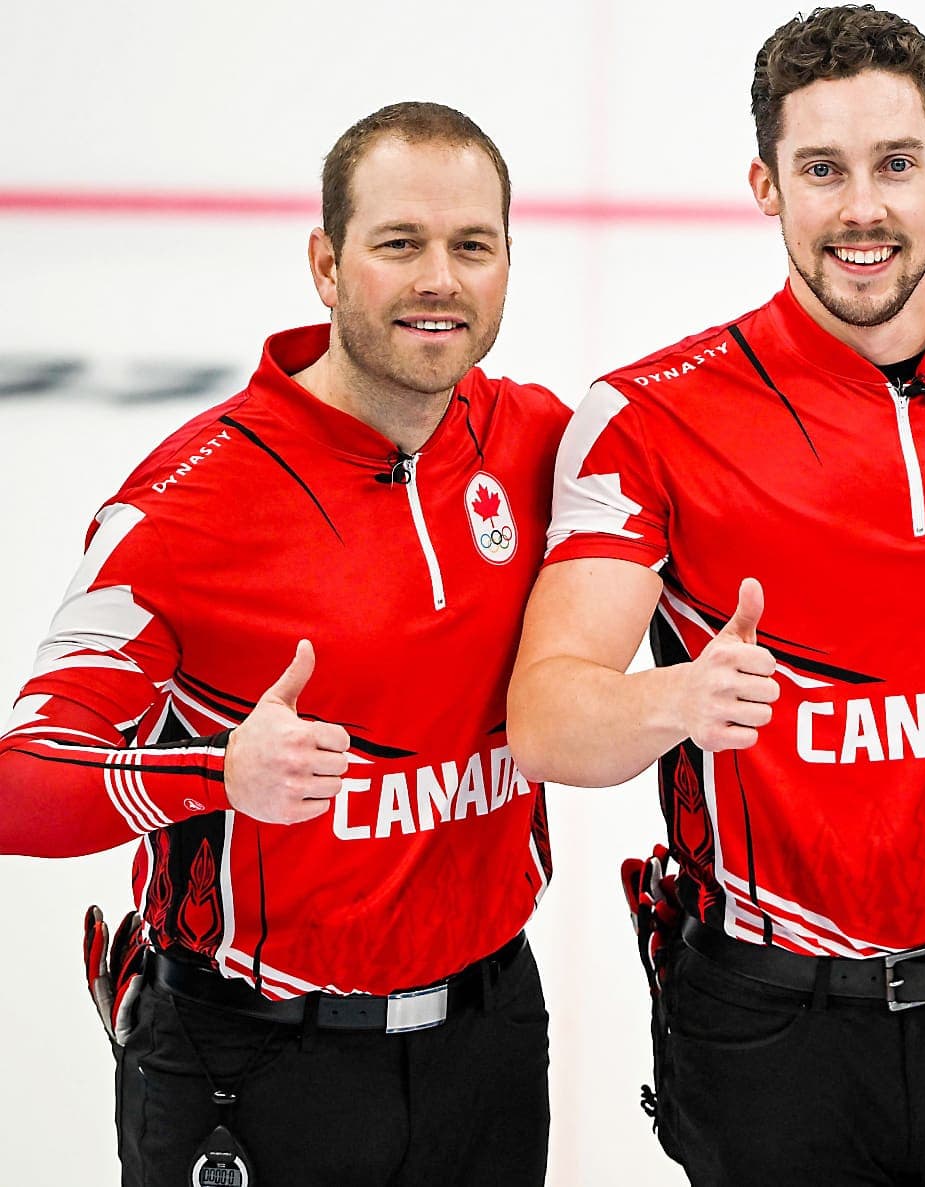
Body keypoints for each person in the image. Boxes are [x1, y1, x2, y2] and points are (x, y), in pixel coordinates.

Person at [505, 6, 925, 1184]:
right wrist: (677, 701)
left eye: (895, 164)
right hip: (765, 1026)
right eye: (822, 170)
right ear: (764, 182)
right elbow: (547, 718)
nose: (863, 208)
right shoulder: (651, 418)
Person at [0, 102, 566, 1185]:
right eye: (399, 243)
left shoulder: (536, 439)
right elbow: (20, 780)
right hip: (249, 1066)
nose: (438, 277)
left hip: (489, 1037)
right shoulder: (187, 505)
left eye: (471, 245)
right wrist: (216, 772)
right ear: (326, 261)